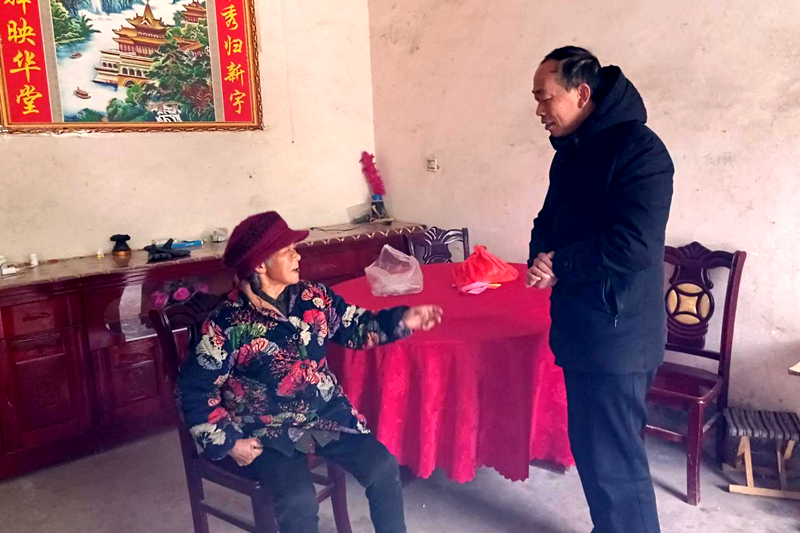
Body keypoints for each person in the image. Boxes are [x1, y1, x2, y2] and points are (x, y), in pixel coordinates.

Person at [177, 211, 443, 533]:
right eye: (287, 250)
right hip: (268, 429)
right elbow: (194, 390)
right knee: (298, 501)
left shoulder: (313, 298)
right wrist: (228, 442)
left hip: (325, 414)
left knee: (383, 468)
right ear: (260, 265)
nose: (298, 256)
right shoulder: (226, 324)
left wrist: (402, 320)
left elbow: (355, 327)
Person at [527, 46, 674, 533]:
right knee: (594, 452)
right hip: (581, 328)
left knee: (616, 462)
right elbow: (548, 221)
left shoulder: (641, 151)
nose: (539, 109)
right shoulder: (570, 154)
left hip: (619, 333)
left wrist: (561, 265)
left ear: (581, 93)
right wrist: (540, 257)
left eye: (545, 97)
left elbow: (634, 245)